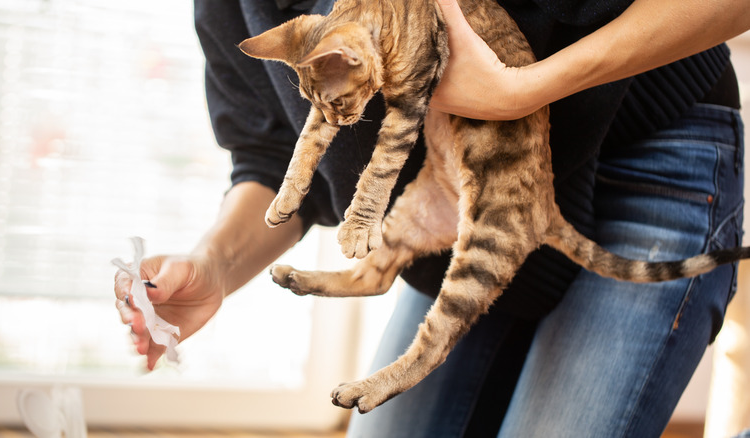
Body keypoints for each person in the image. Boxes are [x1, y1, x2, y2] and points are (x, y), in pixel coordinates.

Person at [113, 0, 750, 436]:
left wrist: (523, 89)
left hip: (648, 156)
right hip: (463, 192)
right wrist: (214, 264)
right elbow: (268, 156)